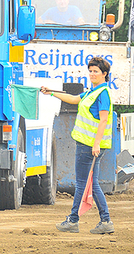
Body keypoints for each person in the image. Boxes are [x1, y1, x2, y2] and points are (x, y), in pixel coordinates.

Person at [40, 56, 114, 235]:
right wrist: (51, 92)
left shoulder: (102, 93)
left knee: (82, 183)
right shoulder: (93, 91)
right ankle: (105, 220)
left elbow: (104, 120)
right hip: (88, 144)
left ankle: (74, 220)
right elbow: (73, 99)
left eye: (96, 71)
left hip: (90, 146)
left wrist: (95, 144)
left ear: (104, 74)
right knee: (91, 183)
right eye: (90, 71)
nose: (92, 74)